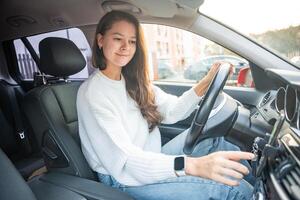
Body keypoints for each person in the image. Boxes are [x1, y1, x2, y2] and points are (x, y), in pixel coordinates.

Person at [77, 10, 255, 200]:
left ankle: (259, 189)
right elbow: (127, 160)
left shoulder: (132, 81)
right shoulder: (93, 94)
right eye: (118, 39)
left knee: (216, 136)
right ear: (101, 40)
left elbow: (172, 111)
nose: (125, 47)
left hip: (151, 157)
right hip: (122, 177)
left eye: (132, 41)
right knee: (233, 188)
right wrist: (192, 165)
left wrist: (206, 83)